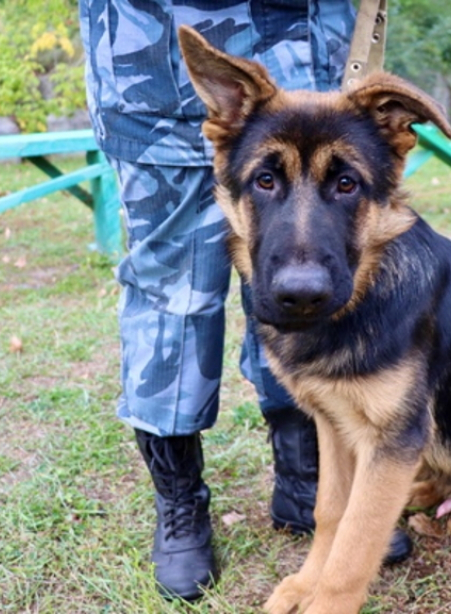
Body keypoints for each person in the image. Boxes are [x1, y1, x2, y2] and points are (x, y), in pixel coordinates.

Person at [79, 0, 412, 602]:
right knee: (170, 290)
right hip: (152, 53)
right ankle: (180, 497)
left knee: (312, 288)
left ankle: (301, 473)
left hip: (304, 31)